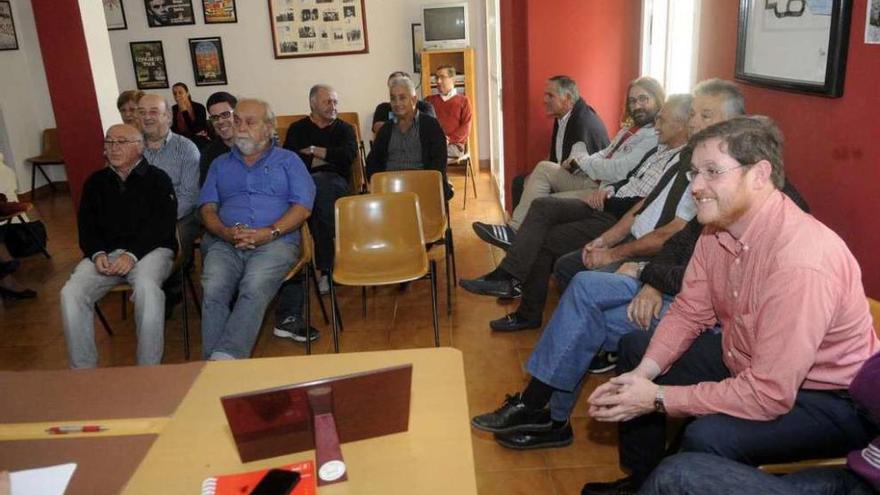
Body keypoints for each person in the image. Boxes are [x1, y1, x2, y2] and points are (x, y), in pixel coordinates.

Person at [583, 116, 880, 494]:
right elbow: (691, 310)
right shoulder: (717, 227)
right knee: (634, 348)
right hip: (746, 360)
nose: (696, 187)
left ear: (760, 174)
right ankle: (644, 482)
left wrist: (657, 398)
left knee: (707, 436)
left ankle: (679, 478)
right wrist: (644, 376)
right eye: (693, 173)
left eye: (712, 172)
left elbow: (770, 393)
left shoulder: (802, 262)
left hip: (830, 400)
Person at [460, 94, 693, 332]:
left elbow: (644, 203)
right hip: (607, 199)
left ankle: (516, 291)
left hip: (614, 214)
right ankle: (508, 277)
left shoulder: (682, 160)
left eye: (662, 120)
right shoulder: (660, 149)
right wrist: (610, 189)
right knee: (542, 206)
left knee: (544, 233)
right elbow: (630, 177)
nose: (657, 124)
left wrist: (608, 196)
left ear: (683, 124)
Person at [640, 350, 880, 495]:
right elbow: (865, 387)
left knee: (676, 474)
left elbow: (864, 387)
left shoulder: (809, 272)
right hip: (856, 478)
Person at [474, 76, 661, 249]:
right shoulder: (628, 129)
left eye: (643, 99)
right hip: (591, 177)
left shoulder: (652, 135)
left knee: (540, 203)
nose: (637, 106)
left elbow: (618, 170)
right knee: (542, 168)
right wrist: (586, 162)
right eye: (632, 101)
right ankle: (513, 231)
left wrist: (584, 163)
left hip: (601, 188)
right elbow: (604, 153)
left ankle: (517, 243)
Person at [199, 98, 315, 360]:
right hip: (227, 242)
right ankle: (217, 363)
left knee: (254, 285)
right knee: (214, 286)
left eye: (249, 122)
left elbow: (303, 207)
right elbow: (207, 208)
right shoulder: (219, 164)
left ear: (269, 127)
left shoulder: (289, 161)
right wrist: (224, 232)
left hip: (276, 242)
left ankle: (223, 360)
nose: (240, 127)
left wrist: (269, 232)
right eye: (237, 120)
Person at [60, 124, 177, 368]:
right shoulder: (95, 182)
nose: (113, 148)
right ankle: (82, 370)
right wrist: (97, 253)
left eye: (121, 142)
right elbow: (86, 227)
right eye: (109, 142)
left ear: (139, 147)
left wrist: (132, 255)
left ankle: (148, 368)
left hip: (150, 251)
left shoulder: (158, 179)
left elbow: (162, 228)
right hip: (106, 254)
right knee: (71, 292)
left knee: (147, 288)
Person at [274, 84, 357, 341]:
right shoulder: (298, 129)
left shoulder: (344, 128)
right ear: (312, 104)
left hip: (335, 183)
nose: (333, 107)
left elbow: (348, 157)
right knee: (315, 198)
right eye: (327, 102)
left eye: (335, 102)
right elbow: (291, 161)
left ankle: (323, 268)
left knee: (320, 193)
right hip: (302, 185)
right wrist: (326, 157)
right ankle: (326, 267)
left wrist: (314, 151)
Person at [137, 93, 200, 315]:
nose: (147, 117)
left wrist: (161, 219)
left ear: (168, 117)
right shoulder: (131, 148)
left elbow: (190, 195)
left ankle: (169, 287)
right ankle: (142, 283)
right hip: (140, 216)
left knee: (172, 236)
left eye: (153, 112)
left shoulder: (186, 149)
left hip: (181, 215)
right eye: (142, 112)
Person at [366, 76, 452, 199]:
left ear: (413, 100)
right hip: (390, 191)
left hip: (422, 190)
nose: (397, 103)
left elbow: (438, 164)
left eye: (402, 98)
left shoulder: (430, 126)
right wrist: (382, 184)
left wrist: (417, 183)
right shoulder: (386, 130)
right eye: (393, 99)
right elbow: (372, 163)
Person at [424, 64, 473, 157]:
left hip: (454, 145)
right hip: (432, 143)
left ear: (452, 79)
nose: (438, 81)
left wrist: (448, 139)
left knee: (431, 153)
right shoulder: (429, 100)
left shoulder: (463, 101)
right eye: (436, 78)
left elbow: (466, 128)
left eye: (442, 77)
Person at [371, 71, 436, 136]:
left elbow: (429, 126)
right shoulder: (382, 107)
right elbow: (377, 128)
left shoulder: (425, 106)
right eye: (393, 85)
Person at [199, 91, 237, 185]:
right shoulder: (208, 155)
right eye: (215, 117)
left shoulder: (259, 146)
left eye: (225, 114)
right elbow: (207, 193)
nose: (220, 121)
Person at [171, 82, 209, 149]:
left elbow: (197, 129)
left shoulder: (199, 107)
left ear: (187, 93)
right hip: (180, 141)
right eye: (175, 93)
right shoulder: (173, 109)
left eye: (180, 92)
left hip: (198, 140)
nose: (177, 95)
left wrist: (184, 111)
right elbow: (173, 131)